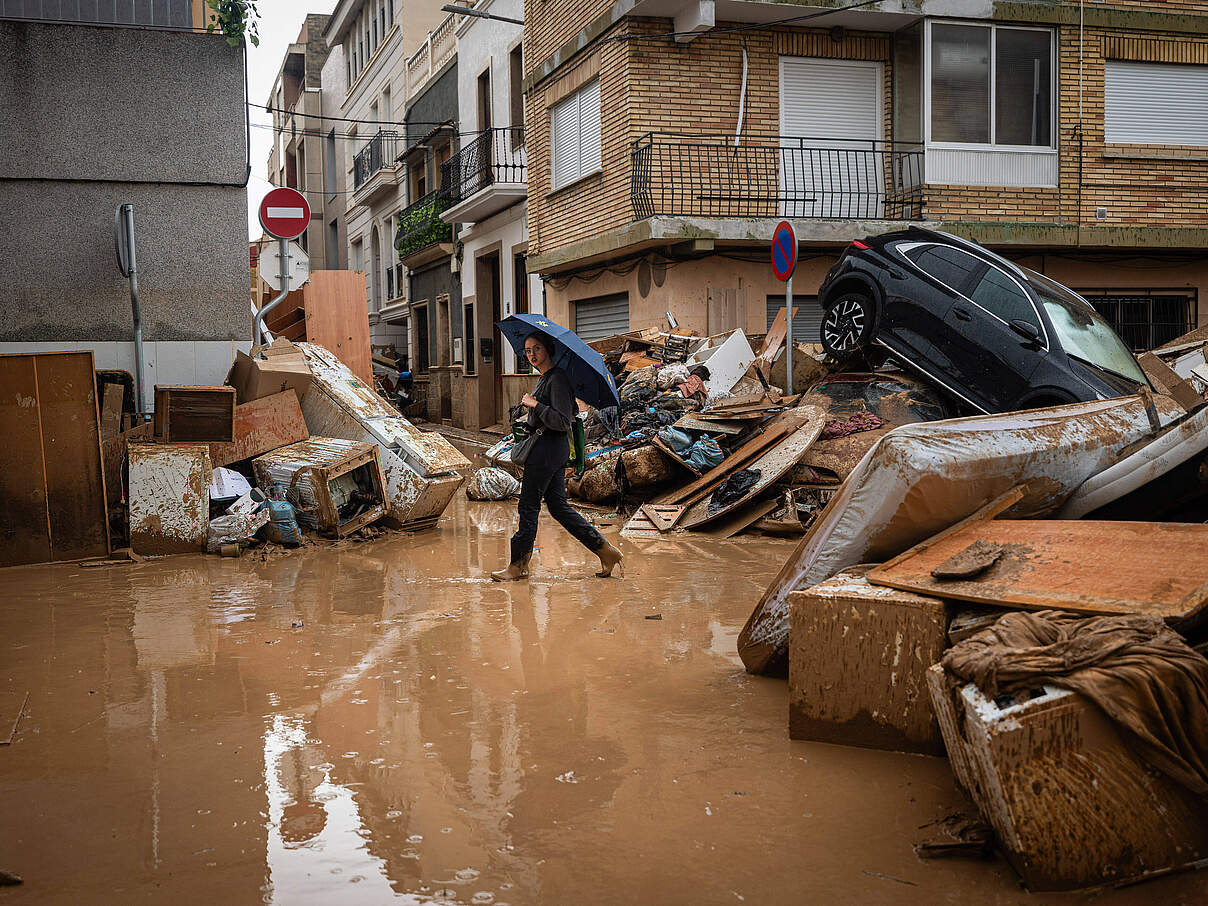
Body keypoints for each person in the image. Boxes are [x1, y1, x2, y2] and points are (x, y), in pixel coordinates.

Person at [492, 331, 624, 581]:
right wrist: (529, 420)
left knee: (528, 506)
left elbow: (562, 421)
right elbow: (547, 417)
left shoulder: (558, 380)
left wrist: (535, 405)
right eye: (528, 351)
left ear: (549, 350)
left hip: (547, 452)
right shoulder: (546, 379)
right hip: (549, 450)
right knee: (558, 507)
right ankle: (606, 551)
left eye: (537, 349)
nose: (531, 355)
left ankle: (517, 566)